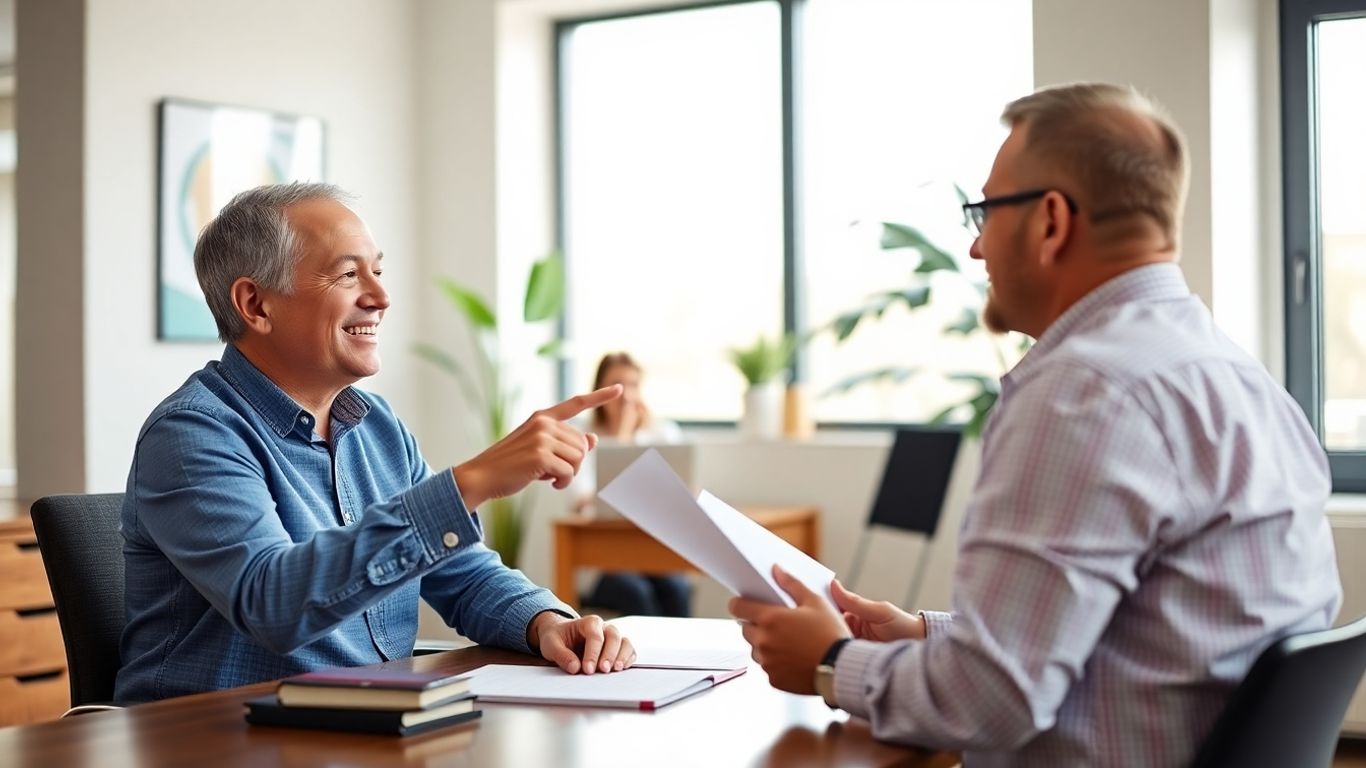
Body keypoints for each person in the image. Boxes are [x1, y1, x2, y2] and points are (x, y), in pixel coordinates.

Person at [729, 83, 1343, 766]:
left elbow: (990, 703)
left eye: (984, 213)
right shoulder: (1231, 375)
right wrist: (922, 635)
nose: (976, 250)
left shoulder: (1083, 393)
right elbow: (1146, 636)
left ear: (1050, 221)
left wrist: (830, 660)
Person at [115, 183, 634, 704]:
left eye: (377, 272)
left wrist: (543, 622)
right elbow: (271, 603)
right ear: (255, 304)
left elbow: (459, 573)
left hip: (363, 722)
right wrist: (468, 484)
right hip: (213, 739)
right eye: (347, 274)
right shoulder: (192, 434)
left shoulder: (376, 425)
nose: (381, 297)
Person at [574, 352, 691, 617]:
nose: (627, 395)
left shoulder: (662, 433)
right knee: (636, 593)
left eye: (634, 385)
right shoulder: (582, 436)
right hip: (601, 563)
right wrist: (622, 435)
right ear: (600, 390)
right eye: (618, 385)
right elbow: (582, 501)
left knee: (677, 587)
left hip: (652, 554)